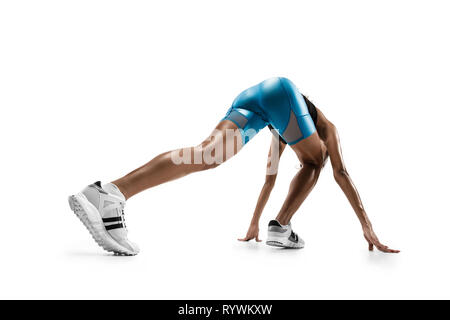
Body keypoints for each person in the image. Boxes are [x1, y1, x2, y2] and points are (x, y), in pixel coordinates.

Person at [68, 77, 399, 255]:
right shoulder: (326, 130)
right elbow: (341, 173)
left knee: (205, 156)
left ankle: (109, 193)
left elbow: (270, 177)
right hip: (281, 93)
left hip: (258, 97)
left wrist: (256, 223)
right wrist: (366, 225)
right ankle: (282, 227)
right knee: (316, 161)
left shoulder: (285, 131)